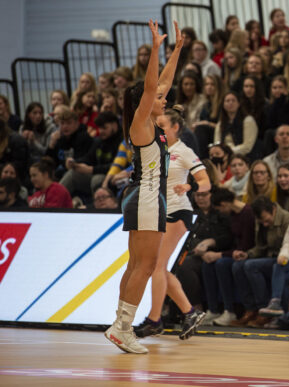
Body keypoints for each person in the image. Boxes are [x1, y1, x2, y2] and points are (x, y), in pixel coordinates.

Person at [105, 20, 183, 354]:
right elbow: (153, 86)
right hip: (149, 197)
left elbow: (161, 83)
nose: (165, 99)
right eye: (159, 98)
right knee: (147, 266)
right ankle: (124, 328)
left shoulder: (147, 121)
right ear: (144, 101)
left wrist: (176, 50)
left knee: (135, 265)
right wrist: (154, 49)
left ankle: (119, 324)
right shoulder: (141, 122)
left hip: (142, 196)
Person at [134, 105, 210, 339]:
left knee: (156, 266)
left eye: (163, 126)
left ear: (176, 128)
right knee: (158, 268)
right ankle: (189, 312)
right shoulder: (156, 150)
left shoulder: (183, 151)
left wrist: (190, 186)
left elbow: (206, 182)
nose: (158, 129)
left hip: (178, 212)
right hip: (158, 212)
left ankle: (154, 320)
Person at [200, 187, 256, 326]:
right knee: (208, 264)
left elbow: (246, 245)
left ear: (224, 204)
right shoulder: (233, 214)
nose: (220, 212)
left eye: (219, 209)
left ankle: (229, 310)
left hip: (248, 253)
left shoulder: (248, 213)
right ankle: (213, 309)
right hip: (235, 252)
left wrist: (219, 254)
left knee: (221, 263)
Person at [241, 196, 289, 328]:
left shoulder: (288, 220)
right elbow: (262, 246)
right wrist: (248, 254)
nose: (264, 224)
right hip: (270, 257)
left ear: (274, 209)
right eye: (262, 222)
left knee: (252, 266)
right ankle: (256, 309)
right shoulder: (260, 220)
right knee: (239, 265)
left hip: (285, 259)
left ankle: (265, 311)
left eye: (266, 220)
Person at [60, 111, 122, 197]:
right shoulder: (99, 141)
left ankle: (98, 208)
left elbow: (117, 165)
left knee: (97, 179)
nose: (100, 131)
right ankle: (54, 202)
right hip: (96, 172)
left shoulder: (122, 141)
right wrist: (74, 162)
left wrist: (91, 169)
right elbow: (89, 158)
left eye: (104, 128)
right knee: (72, 174)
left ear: (115, 125)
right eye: (99, 128)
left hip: (114, 176)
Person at [213, 91, 258, 157]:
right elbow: (217, 144)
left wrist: (228, 152)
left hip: (242, 156)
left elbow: (247, 146)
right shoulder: (220, 124)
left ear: (238, 103)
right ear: (223, 104)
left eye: (233, 100)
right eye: (227, 101)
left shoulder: (248, 120)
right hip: (224, 156)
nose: (230, 103)